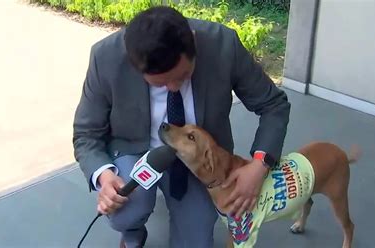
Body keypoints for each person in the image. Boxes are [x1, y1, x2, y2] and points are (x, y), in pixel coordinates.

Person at [72, 6, 290, 248]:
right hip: (135, 150)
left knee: (194, 242)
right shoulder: (106, 58)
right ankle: (133, 232)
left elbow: (274, 105)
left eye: (183, 75)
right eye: (161, 83)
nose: (174, 88)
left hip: (199, 159)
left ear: (193, 42)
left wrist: (259, 166)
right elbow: (86, 133)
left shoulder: (224, 45)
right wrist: (104, 175)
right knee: (126, 212)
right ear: (135, 66)